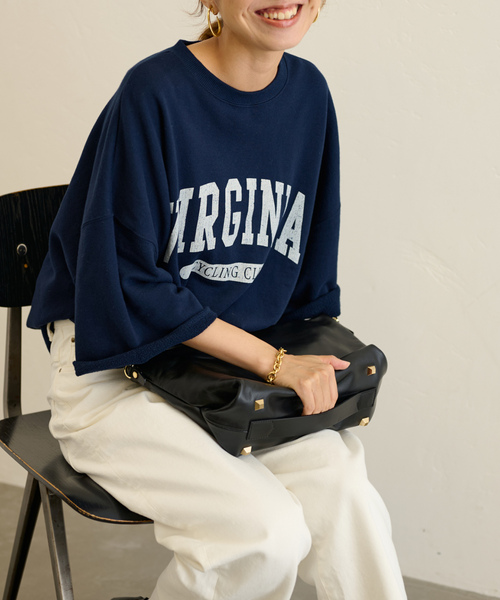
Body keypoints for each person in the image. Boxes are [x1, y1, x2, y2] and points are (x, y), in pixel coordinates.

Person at [27, 1, 407, 598]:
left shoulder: (309, 97)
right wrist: (275, 365)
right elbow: (127, 284)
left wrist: (301, 363)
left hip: (224, 381)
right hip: (113, 373)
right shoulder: (153, 94)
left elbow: (305, 283)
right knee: (264, 533)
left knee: (347, 495)